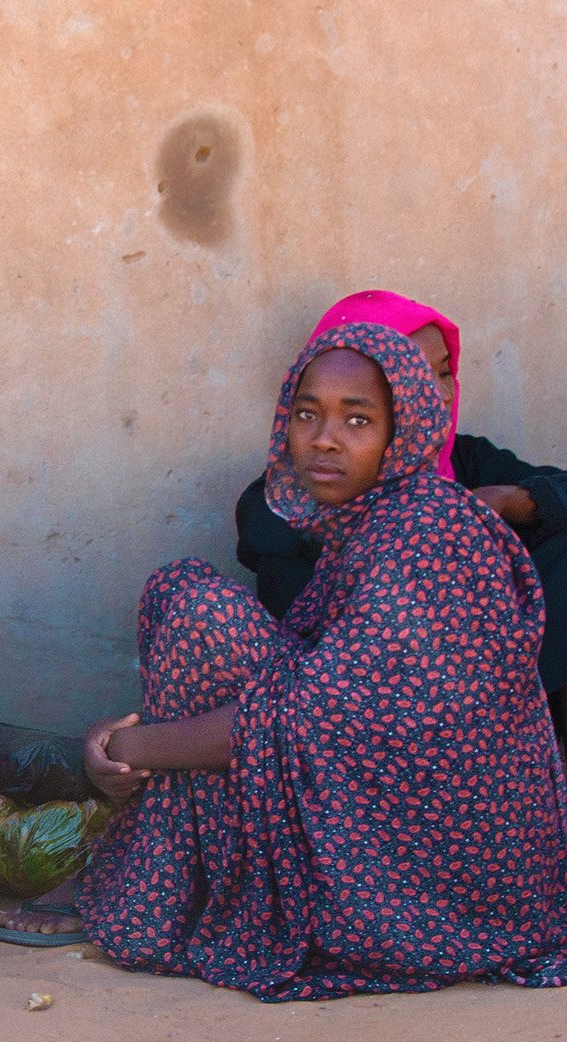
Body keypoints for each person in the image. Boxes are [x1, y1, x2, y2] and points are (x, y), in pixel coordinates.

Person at [73, 321, 567, 1000]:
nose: (324, 438)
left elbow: (308, 718)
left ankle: (155, 889)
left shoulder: (431, 527)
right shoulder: (372, 520)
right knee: (184, 596)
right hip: (388, 819)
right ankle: (164, 883)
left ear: (405, 430)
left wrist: (122, 745)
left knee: (199, 611)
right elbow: (310, 692)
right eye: (307, 414)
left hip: (444, 874)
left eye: (357, 419)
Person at [237, 290, 567, 736]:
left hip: (476, 689)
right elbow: (262, 530)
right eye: (415, 372)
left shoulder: (462, 461)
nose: (439, 391)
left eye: (444, 372)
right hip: (360, 705)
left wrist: (500, 503)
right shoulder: (304, 484)